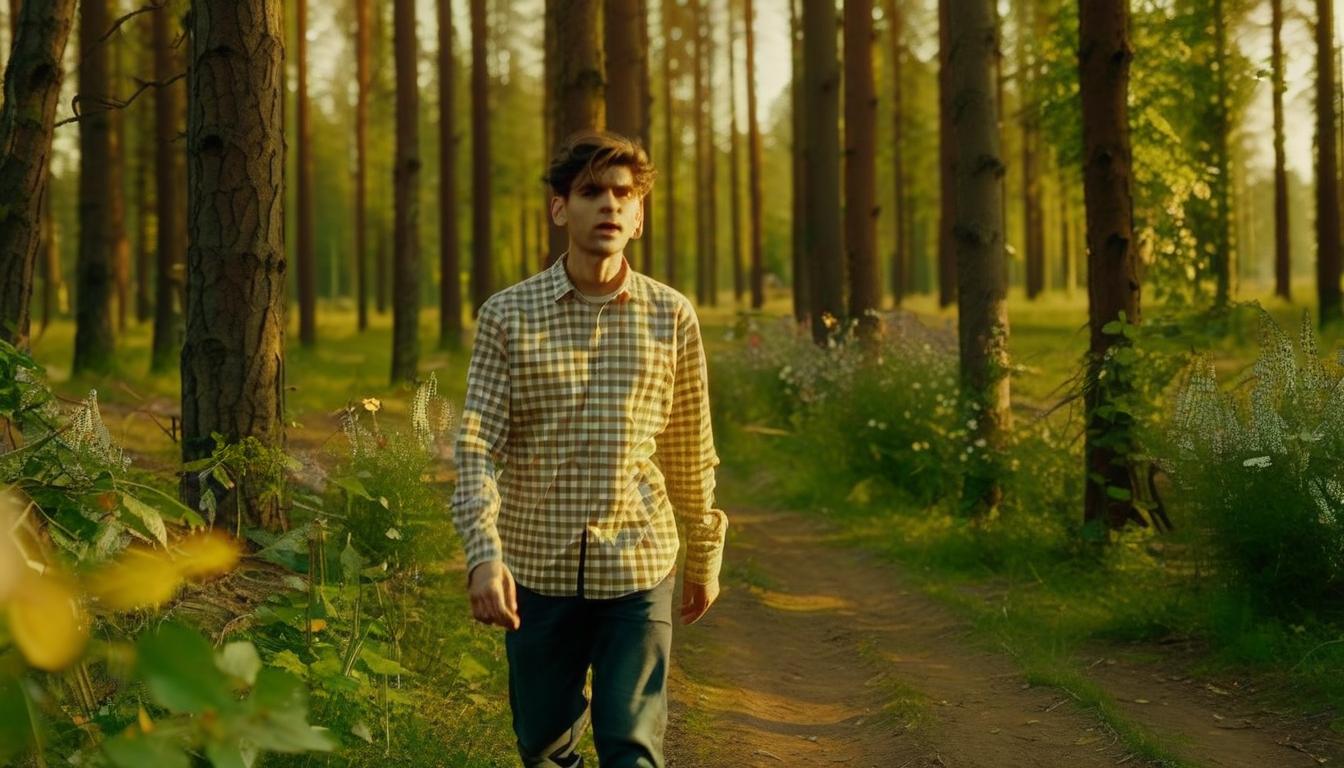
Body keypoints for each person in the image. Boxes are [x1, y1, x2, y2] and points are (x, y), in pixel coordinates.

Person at [451, 129, 728, 768]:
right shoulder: (507, 315)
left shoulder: (672, 316)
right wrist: (483, 556)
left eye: (622, 195)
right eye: (590, 192)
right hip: (536, 571)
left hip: (638, 564)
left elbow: (690, 447)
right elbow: (475, 445)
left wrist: (705, 553)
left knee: (631, 746)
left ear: (638, 217)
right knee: (543, 745)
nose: (608, 205)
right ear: (560, 209)